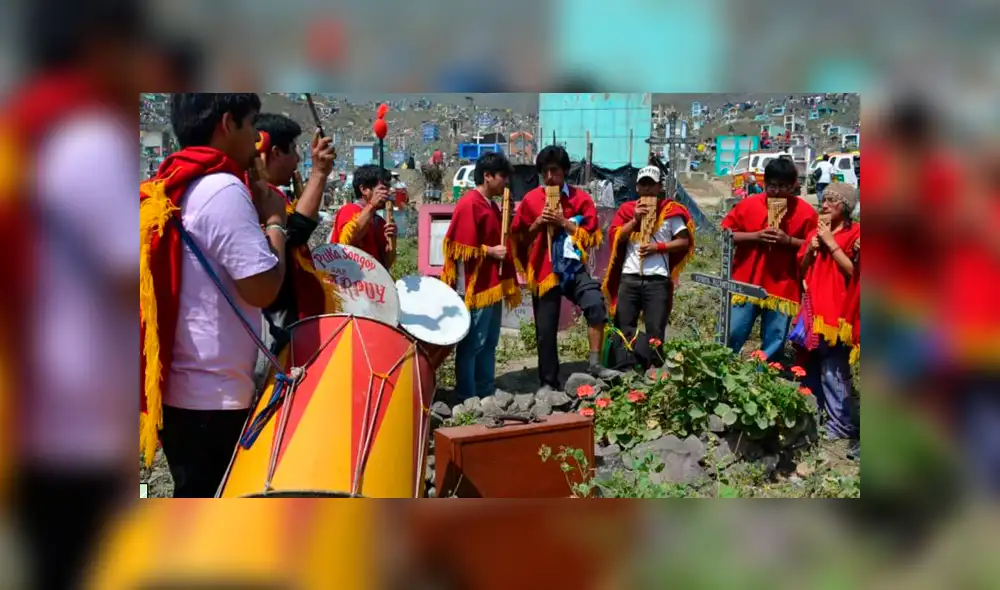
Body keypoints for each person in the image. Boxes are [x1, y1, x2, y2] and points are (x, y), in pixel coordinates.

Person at [141, 93, 288, 498]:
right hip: (213, 400)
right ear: (227, 123)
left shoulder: (178, 181)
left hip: (185, 394)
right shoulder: (222, 188)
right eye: (252, 124)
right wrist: (276, 221)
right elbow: (263, 288)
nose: (258, 137)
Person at [510, 145, 620, 391]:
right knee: (545, 330)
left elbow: (593, 236)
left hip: (573, 269)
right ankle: (548, 381)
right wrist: (538, 224)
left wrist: (564, 223)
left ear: (565, 172)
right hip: (544, 271)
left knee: (595, 303)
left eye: (555, 171)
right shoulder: (530, 200)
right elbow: (520, 239)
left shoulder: (580, 199)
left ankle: (594, 364)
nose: (550, 177)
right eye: (545, 172)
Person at [254, 113, 339, 357]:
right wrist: (319, 173)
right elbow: (294, 233)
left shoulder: (269, 196)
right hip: (267, 320)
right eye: (292, 149)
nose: (297, 158)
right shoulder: (258, 198)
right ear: (276, 153)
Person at [441, 152, 522, 402]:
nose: (506, 182)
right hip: (475, 286)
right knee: (473, 342)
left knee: (489, 342)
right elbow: (456, 244)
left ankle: (485, 389)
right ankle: (467, 393)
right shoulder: (469, 203)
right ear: (487, 176)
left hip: (493, 284)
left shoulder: (494, 206)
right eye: (502, 176)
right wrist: (489, 251)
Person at [722, 157, 819, 362]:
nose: (776, 192)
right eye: (772, 186)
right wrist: (755, 236)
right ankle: (722, 366)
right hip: (746, 278)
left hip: (783, 284)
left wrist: (788, 240)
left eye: (783, 187)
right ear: (764, 183)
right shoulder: (747, 205)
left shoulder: (807, 213)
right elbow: (726, 234)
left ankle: (764, 375)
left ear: (793, 185)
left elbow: (816, 246)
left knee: (775, 337)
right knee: (732, 330)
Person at [601, 166, 695, 366]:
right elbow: (615, 237)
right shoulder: (627, 210)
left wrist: (658, 247)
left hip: (657, 279)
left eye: (651, 185)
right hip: (630, 277)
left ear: (659, 187)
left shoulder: (671, 210)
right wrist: (635, 220)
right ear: (637, 187)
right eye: (643, 184)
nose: (647, 190)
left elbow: (684, 241)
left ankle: (655, 368)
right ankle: (625, 365)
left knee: (655, 328)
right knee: (624, 325)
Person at [797, 183, 860, 442]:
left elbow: (853, 272)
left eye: (831, 201)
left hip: (838, 313)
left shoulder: (855, 234)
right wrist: (811, 250)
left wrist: (831, 244)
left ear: (844, 207)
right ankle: (819, 416)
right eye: (823, 201)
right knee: (811, 367)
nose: (823, 205)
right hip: (813, 310)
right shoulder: (815, 232)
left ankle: (842, 425)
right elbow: (801, 270)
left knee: (834, 370)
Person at [330, 164, 396, 269]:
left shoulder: (380, 222)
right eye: (383, 189)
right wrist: (372, 205)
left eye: (387, 189)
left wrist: (392, 240)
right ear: (364, 189)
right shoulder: (349, 210)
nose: (387, 193)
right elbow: (348, 241)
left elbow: (387, 264)